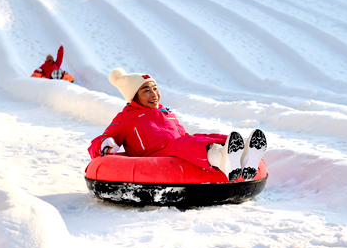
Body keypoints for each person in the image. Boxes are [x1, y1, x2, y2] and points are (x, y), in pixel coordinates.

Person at [88, 69, 268, 181]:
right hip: (156, 155)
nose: (154, 94)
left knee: (198, 138)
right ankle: (223, 160)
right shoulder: (126, 117)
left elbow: (183, 137)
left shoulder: (167, 113)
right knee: (182, 144)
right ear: (134, 96)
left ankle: (244, 155)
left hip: (177, 148)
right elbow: (101, 140)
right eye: (146, 90)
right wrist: (105, 145)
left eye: (155, 88)